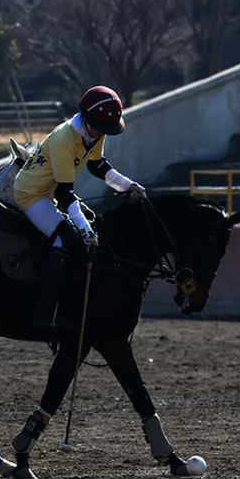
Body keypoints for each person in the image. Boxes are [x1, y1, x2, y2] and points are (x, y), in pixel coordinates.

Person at [13, 85, 146, 330]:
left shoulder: (95, 131)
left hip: (51, 192)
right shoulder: (65, 139)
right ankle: (46, 313)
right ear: (86, 119)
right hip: (31, 193)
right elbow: (65, 194)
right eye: (100, 129)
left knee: (91, 228)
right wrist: (83, 229)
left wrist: (128, 185)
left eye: (105, 130)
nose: (101, 134)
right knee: (66, 239)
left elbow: (97, 166)